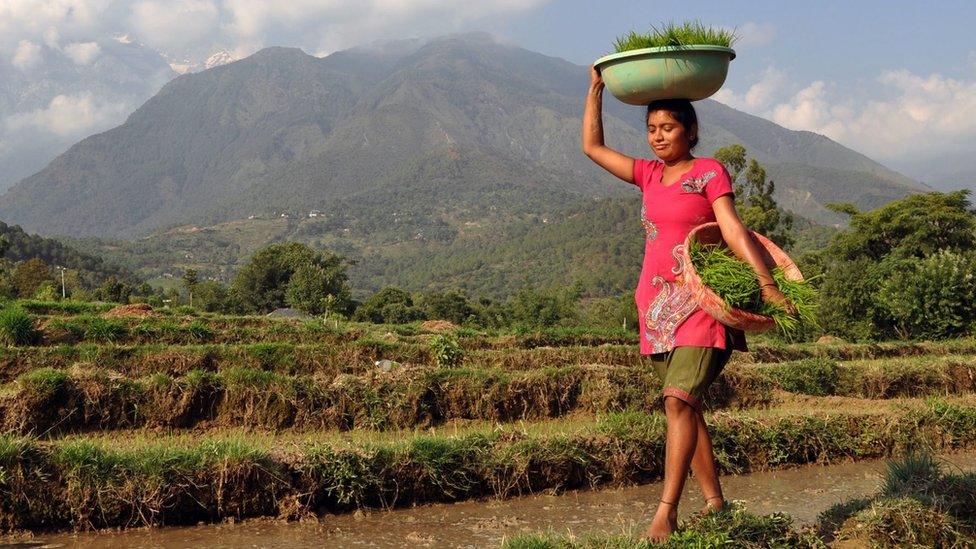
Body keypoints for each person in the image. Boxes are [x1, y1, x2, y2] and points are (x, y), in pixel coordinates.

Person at [581, 65, 796, 543]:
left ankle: (666, 513)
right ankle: (718, 506)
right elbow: (592, 148)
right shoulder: (648, 174)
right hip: (655, 308)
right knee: (686, 409)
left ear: (690, 130)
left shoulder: (708, 172)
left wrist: (767, 283)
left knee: (678, 401)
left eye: (669, 128)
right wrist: (595, 90)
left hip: (702, 302)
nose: (658, 137)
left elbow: (734, 229)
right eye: (652, 129)